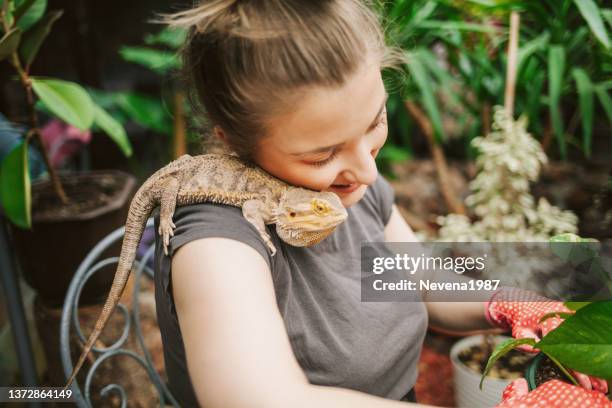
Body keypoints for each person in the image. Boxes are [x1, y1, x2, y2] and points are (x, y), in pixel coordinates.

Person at [152, 1, 609, 407]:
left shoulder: (348, 183)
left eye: (376, 122)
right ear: (230, 139)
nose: (368, 173)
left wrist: (504, 302)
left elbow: (418, 279)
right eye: (322, 154)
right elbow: (262, 396)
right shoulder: (217, 244)